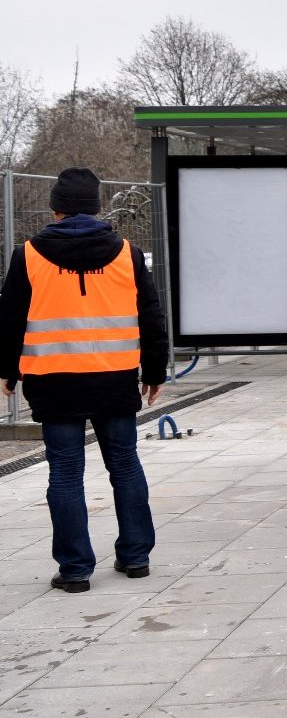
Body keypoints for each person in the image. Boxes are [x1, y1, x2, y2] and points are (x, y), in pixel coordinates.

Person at [0, 167, 168, 592]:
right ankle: (135, 558)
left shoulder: (29, 255)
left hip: (55, 382)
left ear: (55, 209)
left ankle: (75, 570)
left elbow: (9, 318)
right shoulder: (127, 253)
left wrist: (8, 369)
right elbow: (151, 313)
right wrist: (154, 371)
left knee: (66, 472)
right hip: (114, 379)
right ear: (97, 208)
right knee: (126, 466)